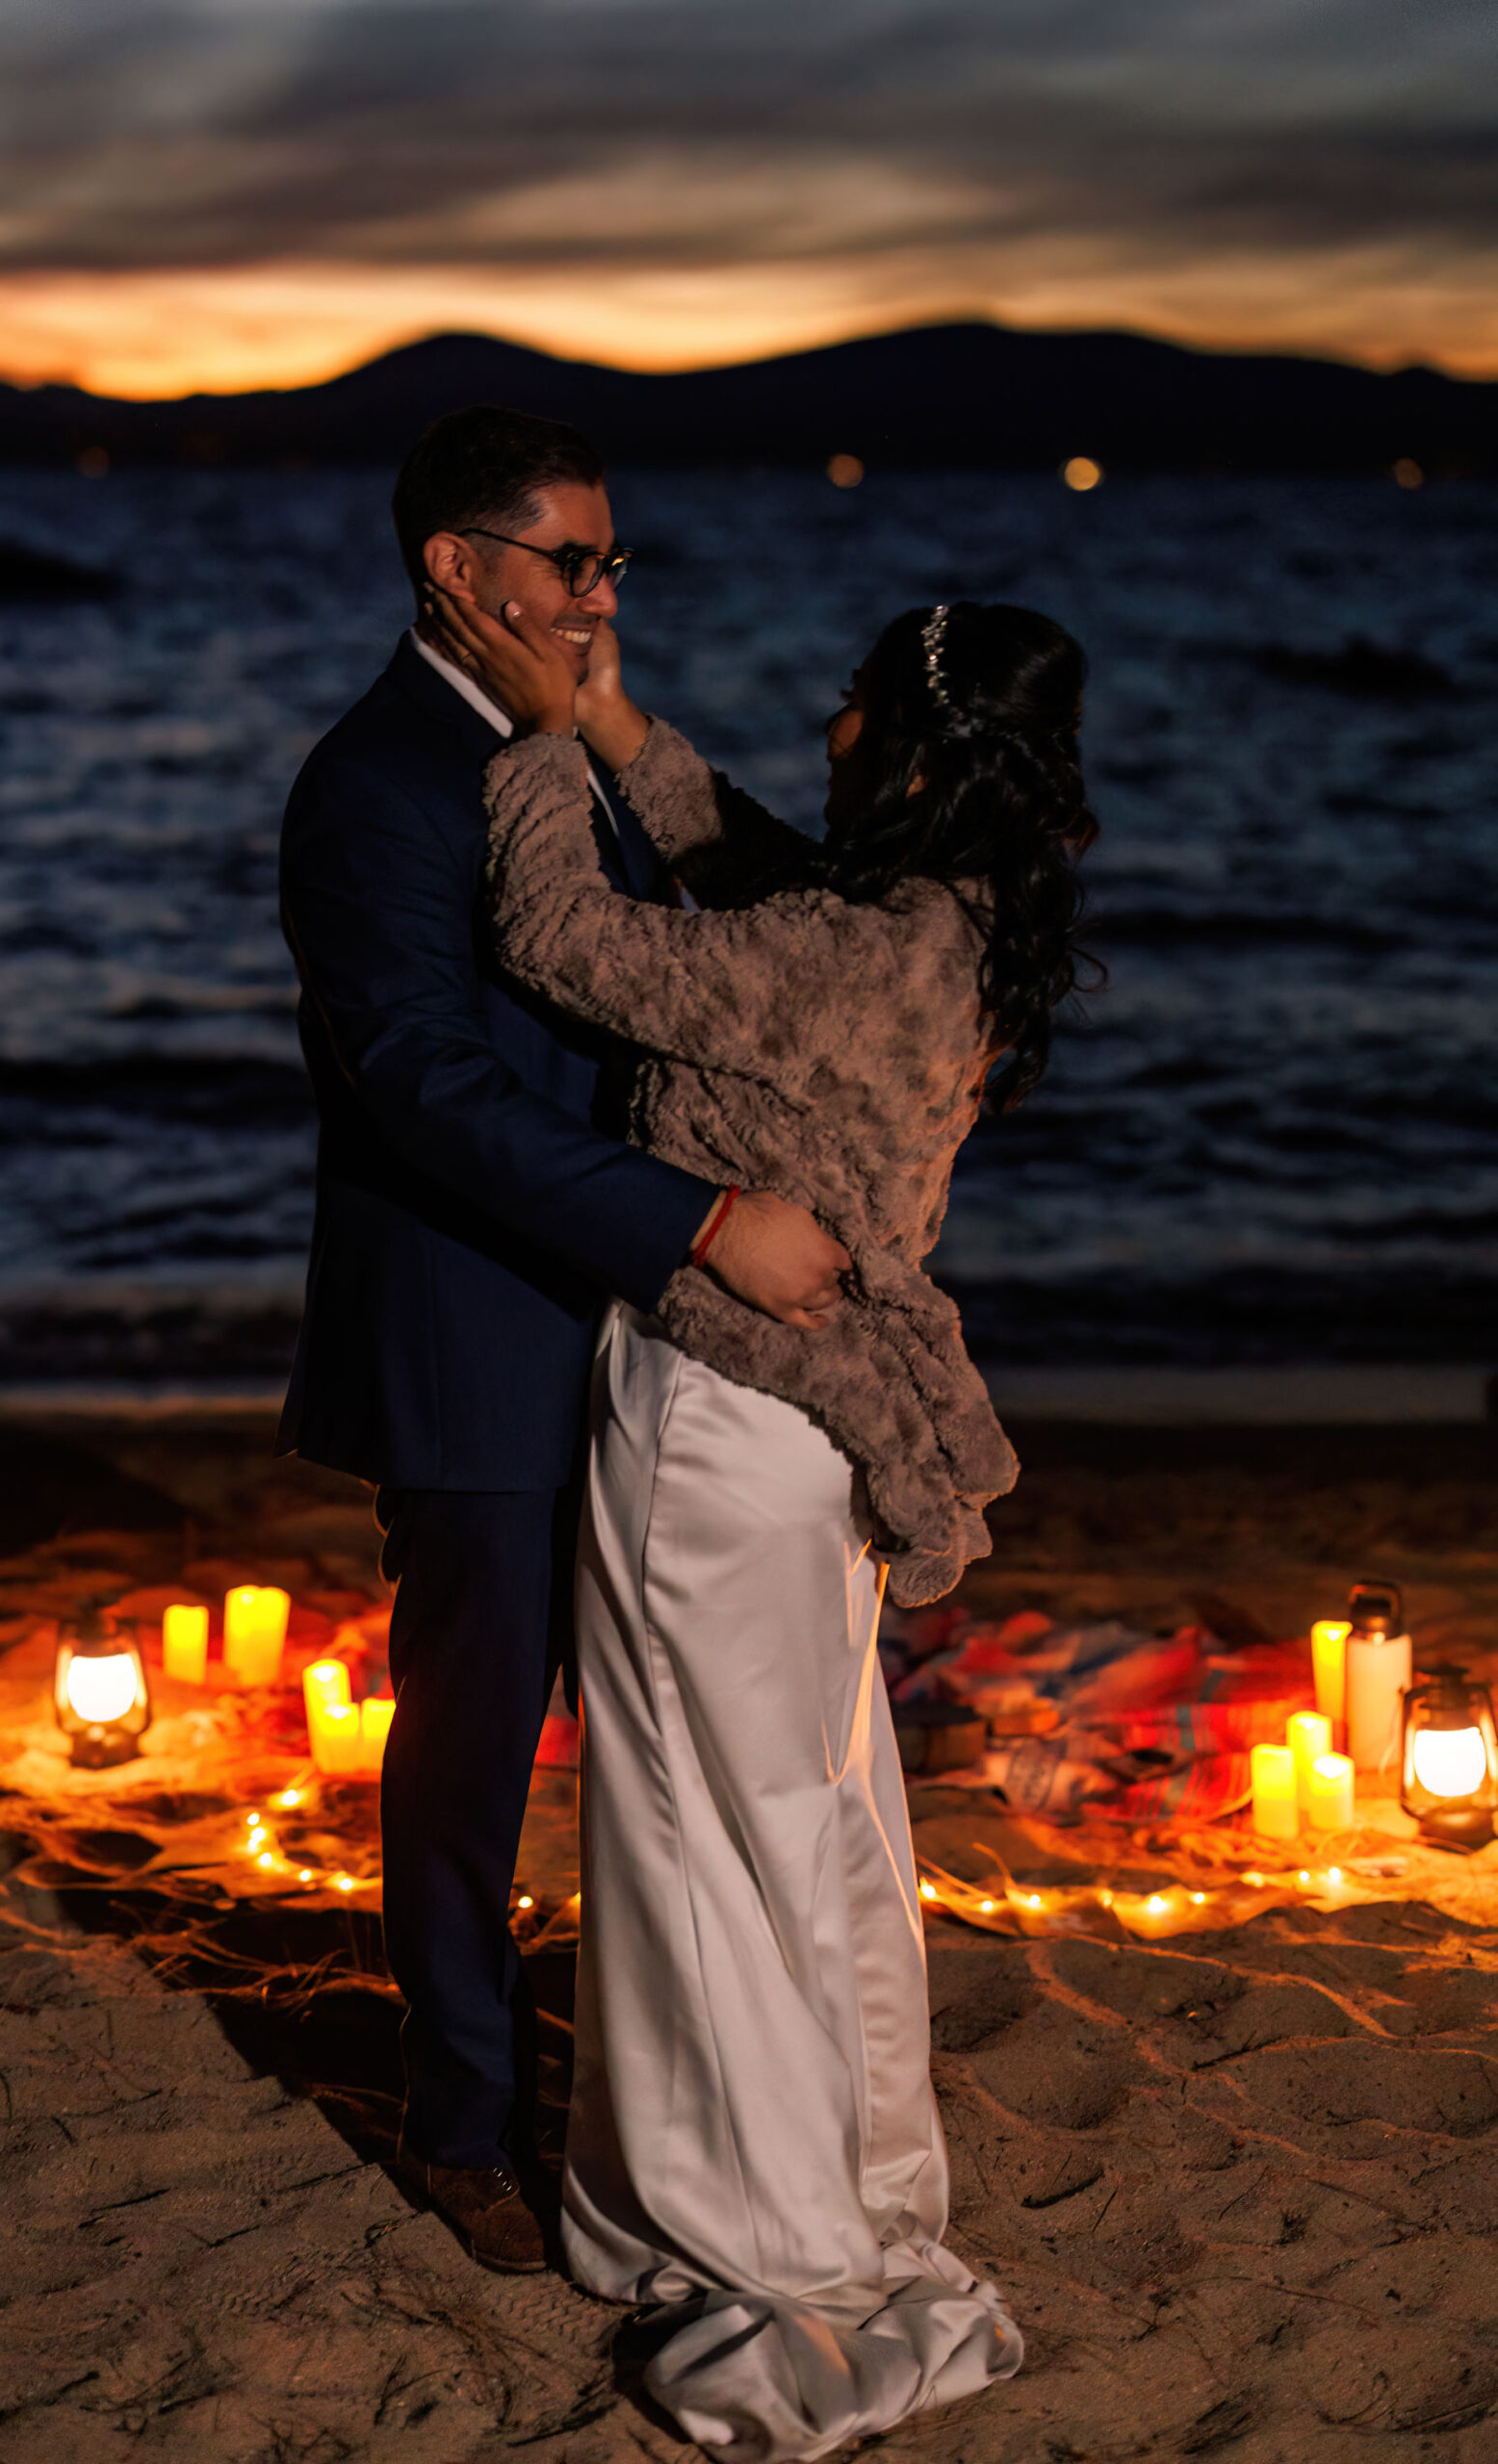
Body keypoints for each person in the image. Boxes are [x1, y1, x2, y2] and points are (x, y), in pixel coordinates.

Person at [427, 582, 1098, 2458]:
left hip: (722, 1423)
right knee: (811, 1821)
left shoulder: (842, 954)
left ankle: (774, 2243)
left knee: (698, 1835)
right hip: (813, 1451)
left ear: (910, 743)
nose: (824, 729)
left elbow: (564, 937)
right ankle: (860, 2192)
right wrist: (626, 722)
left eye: (849, 705)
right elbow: (753, 864)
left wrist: (537, 720)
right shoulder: (937, 926)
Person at [276, 407, 850, 2275]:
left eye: (611, 561)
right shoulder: (376, 783)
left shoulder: (565, 754)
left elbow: (760, 929)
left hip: (631, 1330)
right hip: (475, 1334)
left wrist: (611, 727)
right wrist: (693, 1220)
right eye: (572, 561)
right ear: (458, 567)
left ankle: (652, 2103)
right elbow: (424, 1085)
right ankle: (459, 2117)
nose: (603, 593)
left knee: (652, 1743)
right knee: (470, 1744)